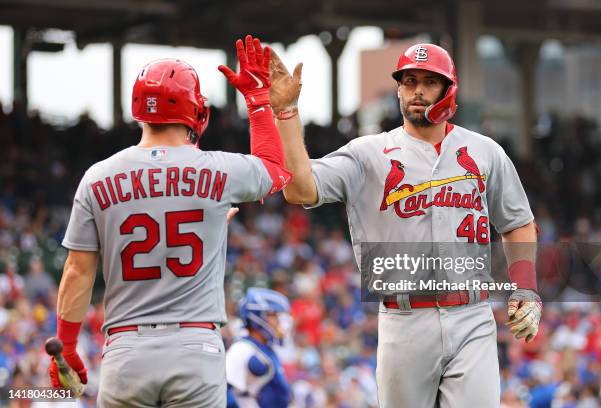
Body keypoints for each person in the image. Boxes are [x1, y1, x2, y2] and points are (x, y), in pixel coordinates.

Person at [270, 44, 543, 407]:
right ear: (398, 89)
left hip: (471, 316)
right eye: (409, 80)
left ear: (449, 89)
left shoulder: (485, 151)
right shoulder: (367, 153)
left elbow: (518, 223)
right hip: (404, 319)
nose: (417, 90)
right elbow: (299, 189)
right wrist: (286, 113)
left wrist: (525, 289)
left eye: (430, 82)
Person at [48, 35, 292, 407]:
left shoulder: (97, 176)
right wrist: (258, 103)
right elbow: (277, 170)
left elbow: (77, 270)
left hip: (126, 350)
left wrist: (66, 344)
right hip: (196, 349)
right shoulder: (217, 169)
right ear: (196, 111)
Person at [226, 288, 291, 408]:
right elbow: (226, 392)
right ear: (258, 316)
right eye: (273, 316)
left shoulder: (267, 349)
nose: (278, 322)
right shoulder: (242, 348)